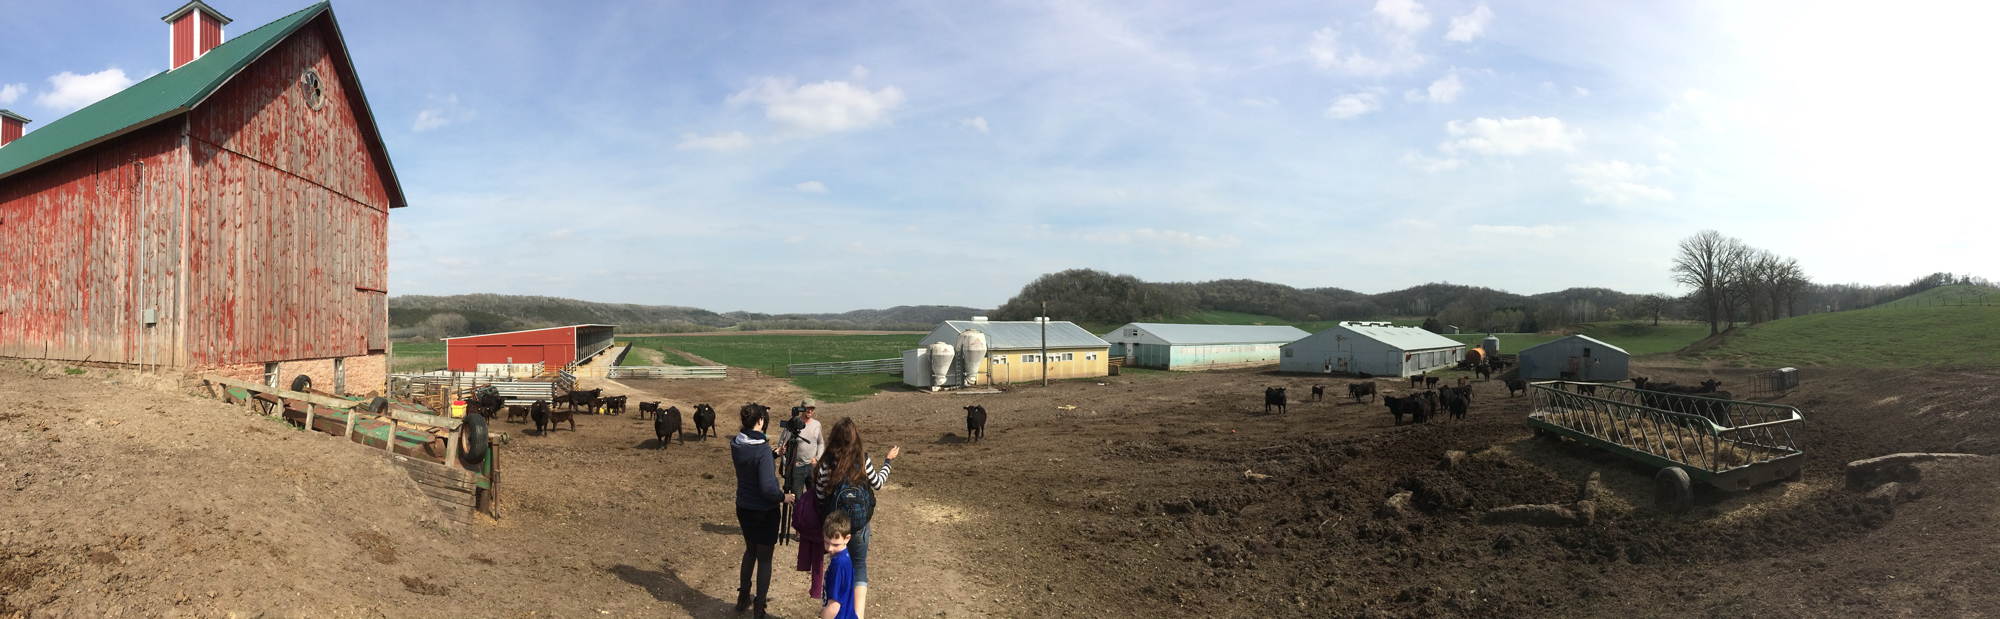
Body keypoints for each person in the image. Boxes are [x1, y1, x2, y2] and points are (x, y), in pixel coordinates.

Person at [814, 418, 899, 618]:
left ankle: (834, 606)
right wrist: (887, 462)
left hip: (836, 527)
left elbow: (819, 496)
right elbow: (877, 484)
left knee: (837, 564)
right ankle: (858, 616)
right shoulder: (862, 459)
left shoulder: (827, 462)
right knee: (859, 566)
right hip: (860, 526)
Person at [732, 404, 795, 618]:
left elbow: (752, 463)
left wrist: (774, 454)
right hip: (764, 512)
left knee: (750, 551)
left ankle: (743, 598)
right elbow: (769, 489)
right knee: (765, 559)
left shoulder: (737, 443)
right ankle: (759, 607)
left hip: (744, 507)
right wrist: (783, 497)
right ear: (760, 421)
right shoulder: (761, 451)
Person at [818, 511, 859, 619]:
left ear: (847, 538)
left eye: (835, 544)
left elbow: (834, 605)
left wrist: (823, 615)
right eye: (826, 542)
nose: (830, 548)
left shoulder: (838, 565)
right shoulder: (844, 557)